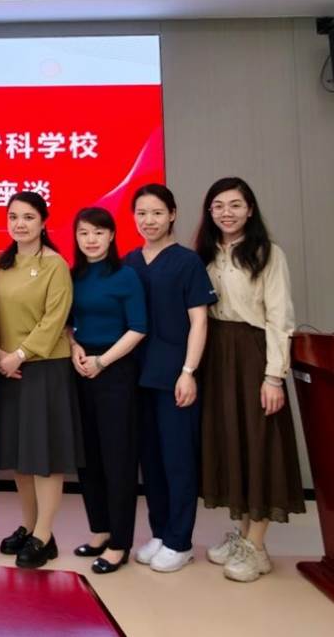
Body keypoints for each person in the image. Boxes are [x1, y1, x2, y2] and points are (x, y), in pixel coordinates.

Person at [195, 177, 303, 583]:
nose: (227, 213)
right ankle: (243, 537)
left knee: (260, 444)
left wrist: (273, 377)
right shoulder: (206, 254)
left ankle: (256, 547)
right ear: (209, 212)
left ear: (250, 209)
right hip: (217, 356)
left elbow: (280, 318)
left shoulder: (267, 253)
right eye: (219, 206)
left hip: (254, 354)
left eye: (235, 205)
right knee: (233, 443)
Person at [123, 184, 216, 573]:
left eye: (157, 212)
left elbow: (199, 321)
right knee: (152, 461)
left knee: (178, 459)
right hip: (137, 376)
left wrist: (188, 372)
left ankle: (180, 541)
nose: (149, 220)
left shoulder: (187, 262)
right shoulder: (129, 261)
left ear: (173, 214)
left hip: (174, 375)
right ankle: (160, 533)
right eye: (142, 213)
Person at [0, 191, 82, 569]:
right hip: (7, 369)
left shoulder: (55, 265)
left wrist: (20, 354)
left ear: (43, 222)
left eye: (28, 217)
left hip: (44, 368)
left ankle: (44, 534)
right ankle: (29, 526)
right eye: (13, 217)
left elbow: (55, 319)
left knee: (45, 455)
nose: (20, 224)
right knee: (20, 455)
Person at [69, 207, 146, 574]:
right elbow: (68, 323)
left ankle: (120, 543)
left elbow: (138, 327)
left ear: (112, 236)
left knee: (118, 458)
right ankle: (100, 530)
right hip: (81, 368)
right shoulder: (75, 276)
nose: (91, 240)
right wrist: (75, 348)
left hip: (116, 371)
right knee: (89, 457)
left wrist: (103, 361)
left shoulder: (126, 275)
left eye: (99, 233)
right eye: (84, 233)